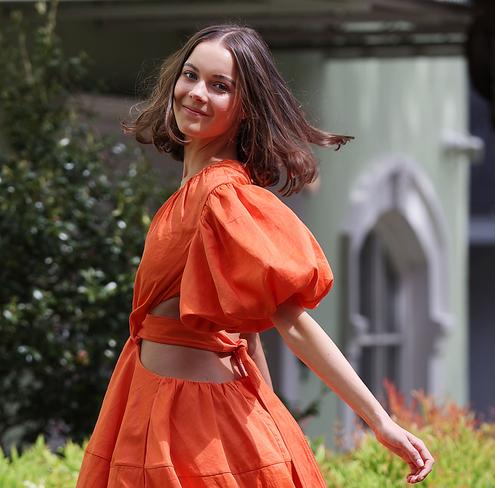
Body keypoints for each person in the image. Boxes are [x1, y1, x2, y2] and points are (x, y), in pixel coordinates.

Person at [76, 24, 435, 487]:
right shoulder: (194, 190)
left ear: (246, 109)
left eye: (220, 86)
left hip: (195, 423)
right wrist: (269, 413)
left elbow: (293, 321)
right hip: (155, 406)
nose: (197, 93)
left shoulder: (224, 195)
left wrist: (379, 421)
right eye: (191, 75)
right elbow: (248, 330)